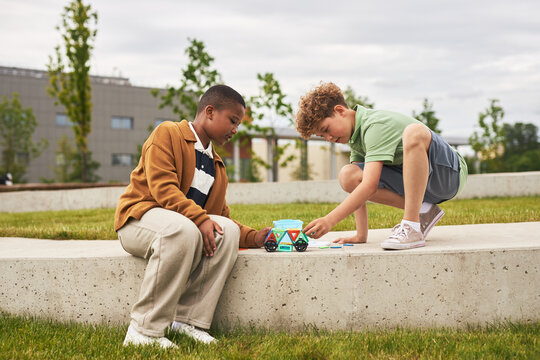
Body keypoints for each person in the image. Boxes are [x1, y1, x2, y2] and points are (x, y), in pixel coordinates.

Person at [114, 85, 271, 348]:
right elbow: (163, 188)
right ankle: (143, 331)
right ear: (210, 112)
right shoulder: (168, 133)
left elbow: (219, 217)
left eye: (238, 124)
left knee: (226, 231)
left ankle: (188, 321)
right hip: (139, 221)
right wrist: (199, 220)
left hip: (179, 226)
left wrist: (254, 237)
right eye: (232, 121)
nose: (235, 129)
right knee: (183, 228)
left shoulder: (217, 166)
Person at [296, 82, 467, 250]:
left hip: (447, 174)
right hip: (424, 185)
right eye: (322, 136)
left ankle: (411, 226)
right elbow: (358, 187)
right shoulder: (356, 139)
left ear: (340, 111)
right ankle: (424, 210)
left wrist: (330, 220)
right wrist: (360, 235)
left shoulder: (374, 125)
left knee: (413, 132)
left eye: (326, 129)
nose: (329, 138)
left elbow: (370, 185)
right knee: (348, 175)